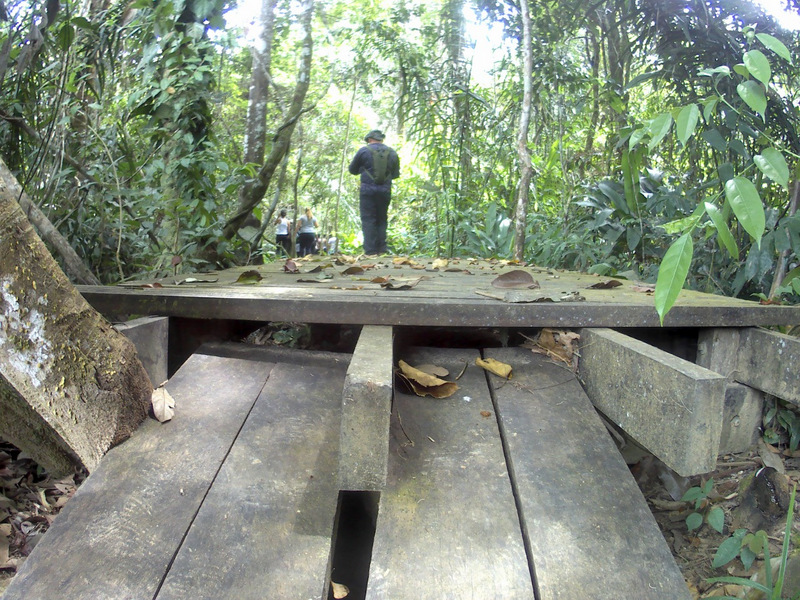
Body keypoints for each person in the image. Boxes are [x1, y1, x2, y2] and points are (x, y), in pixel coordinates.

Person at [348, 129, 400, 255]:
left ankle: (370, 250)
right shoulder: (392, 152)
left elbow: (352, 170)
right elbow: (395, 174)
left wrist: (363, 169)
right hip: (385, 190)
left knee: (368, 219)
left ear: (369, 140)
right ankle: (382, 248)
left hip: (367, 191)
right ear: (381, 139)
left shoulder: (363, 151)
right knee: (382, 218)